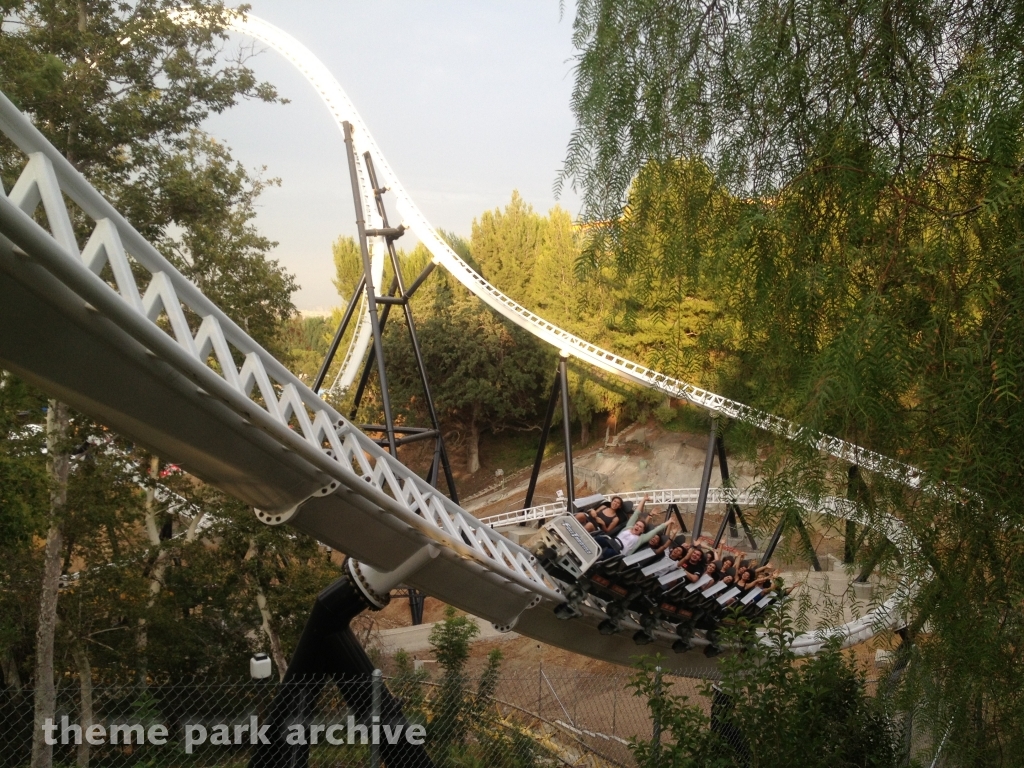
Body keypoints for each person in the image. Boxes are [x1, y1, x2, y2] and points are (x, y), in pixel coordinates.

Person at [594, 497, 665, 559]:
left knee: (607, 552)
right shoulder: (629, 527)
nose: (637, 526)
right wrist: (643, 500)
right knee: (599, 539)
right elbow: (636, 513)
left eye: (640, 527)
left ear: (642, 530)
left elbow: (655, 530)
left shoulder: (641, 538)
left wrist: (669, 522)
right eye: (636, 525)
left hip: (619, 551)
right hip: (612, 542)